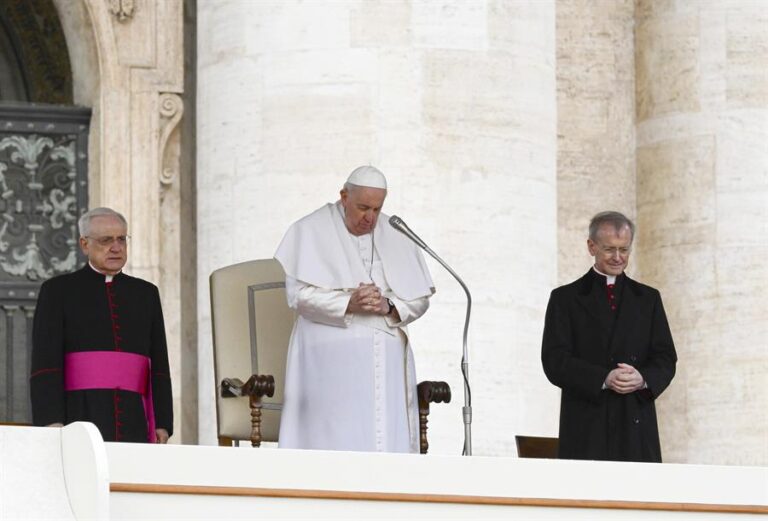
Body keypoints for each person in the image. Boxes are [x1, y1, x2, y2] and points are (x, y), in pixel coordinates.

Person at [274, 166, 434, 452]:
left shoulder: (396, 233)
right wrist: (349, 302)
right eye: (363, 208)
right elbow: (298, 296)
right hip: (329, 358)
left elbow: (420, 299)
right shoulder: (309, 230)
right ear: (344, 196)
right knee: (332, 442)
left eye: (377, 209)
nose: (370, 217)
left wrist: (388, 306)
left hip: (386, 362)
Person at [541, 211, 677, 462]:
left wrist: (643, 378)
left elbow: (666, 358)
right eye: (609, 249)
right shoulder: (565, 298)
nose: (617, 257)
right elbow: (554, 360)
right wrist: (603, 378)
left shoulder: (648, 299)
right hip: (586, 424)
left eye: (624, 249)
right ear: (591, 247)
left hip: (635, 423)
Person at [30, 207, 173, 443]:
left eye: (121, 239)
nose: (116, 247)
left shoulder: (146, 293)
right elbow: (45, 363)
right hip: (78, 413)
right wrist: (52, 421)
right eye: (106, 240)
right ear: (84, 244)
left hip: (135, 416)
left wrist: (163, 422)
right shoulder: (58, 291)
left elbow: (159, 363)